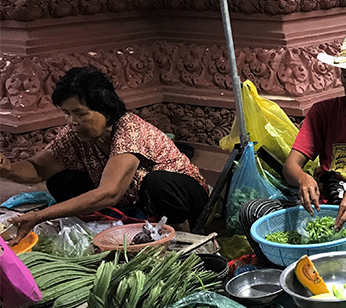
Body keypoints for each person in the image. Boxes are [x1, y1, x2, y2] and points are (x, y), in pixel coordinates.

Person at [239, 23, 346, 252]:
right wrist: (303, 179)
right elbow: (291, 165)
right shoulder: (322, 112)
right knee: (252, 211)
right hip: (325, 208)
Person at [0, 66, 208, 245]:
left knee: (158, 183)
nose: (72, 121)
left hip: (184, 197)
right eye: (67, 113)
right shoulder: (74, 135)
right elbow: (37, 169)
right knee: (60, 180)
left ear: (106, 111)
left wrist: (38, 216)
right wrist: (7, 168)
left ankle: (182, 237)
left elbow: (110, 193)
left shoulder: (129, 131)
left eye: (80, 114)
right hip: (134, 203)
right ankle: (100, 228)